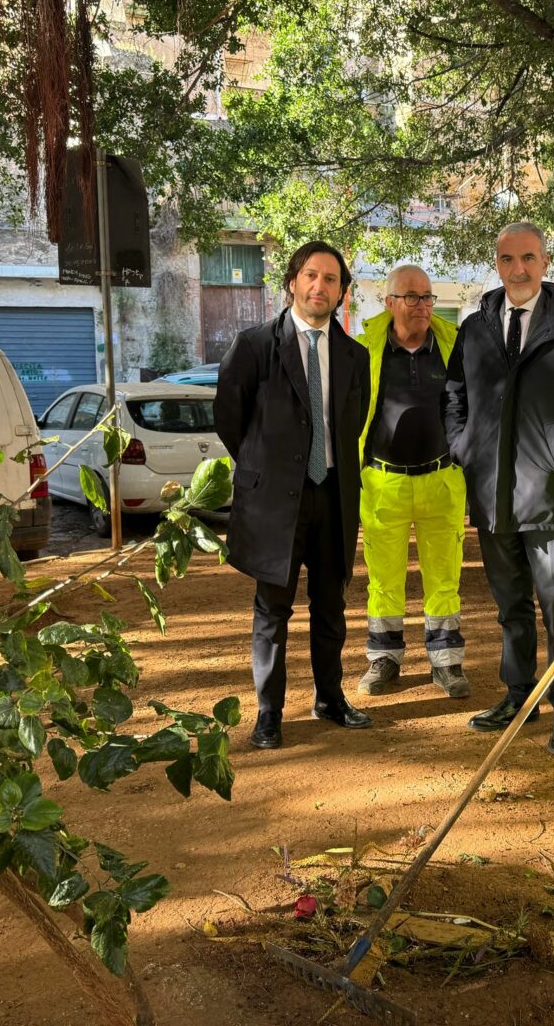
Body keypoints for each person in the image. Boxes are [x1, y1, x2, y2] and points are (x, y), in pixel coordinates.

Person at [442, 221, 554, 755]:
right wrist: (463, 445)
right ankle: (519, 696)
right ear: (498, 264)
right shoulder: (476, 329)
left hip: (549, 499)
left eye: (529, 259)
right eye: (508, 259)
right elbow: (454, 394)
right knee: (510, 605)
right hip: (492, 497)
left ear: (545, 262)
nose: (519, 269)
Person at [215, 240, 371, 750]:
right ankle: (269, 713)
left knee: (331, 607)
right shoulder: (256, 345)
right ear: (292, 282)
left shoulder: (355, 356)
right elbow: (230, 420)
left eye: (330, 279)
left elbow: (352, 423)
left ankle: (330, 698)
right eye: (310, 275)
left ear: (341, 291)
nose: (319, 287)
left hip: (334, 498)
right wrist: (268, 468)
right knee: (272, 611)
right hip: (276, 503)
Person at [355, 265, 470, 699]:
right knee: (383, 579)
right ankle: (384, 659)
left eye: (427, 297)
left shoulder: (453, 345)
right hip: (384, 482)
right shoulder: (365, 348)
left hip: (442, 479)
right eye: (411, 297)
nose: (422, 305)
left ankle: (446, 663)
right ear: (390, 303)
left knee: (445, 577)